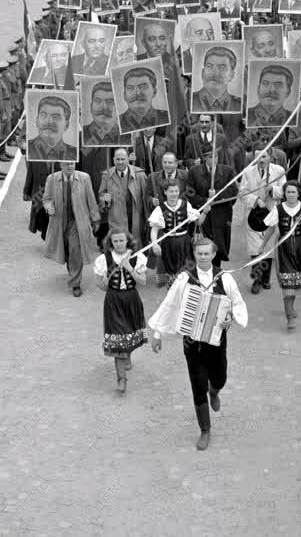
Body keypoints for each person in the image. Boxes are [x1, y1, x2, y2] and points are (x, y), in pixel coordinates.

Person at [149, 238, 248, 450]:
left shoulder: (225, 278)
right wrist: (157, 332)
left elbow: (237, 302)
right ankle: (205, 429)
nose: (203, 257)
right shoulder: (184, 278)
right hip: (192, 343)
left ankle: (215, 391)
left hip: (217, 340)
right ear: (194, 255)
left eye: (206, 253)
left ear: (213, 254)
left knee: (220, 378)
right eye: (199, 254)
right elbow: (170, 304)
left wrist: (232, 317)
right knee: (197, 384)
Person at [93, 230, 148, 393]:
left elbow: (143, 282)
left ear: (127, 241)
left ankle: (128, 354)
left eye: (121, 240)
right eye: (115, 241)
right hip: (113, 301)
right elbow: (101, 287)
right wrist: (106, 279)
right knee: (117, 339)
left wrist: (130, 268)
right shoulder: (103, 260)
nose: (118, 244)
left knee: (130, 332)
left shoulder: (138, 257)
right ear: (111, 242)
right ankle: (121, 378)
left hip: (132, 299)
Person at [42, 162, 100, 297]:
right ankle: (72, 269)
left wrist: (95, 218)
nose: (70, 166)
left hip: (78, 222)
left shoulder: (84, 178)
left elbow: (91, 199)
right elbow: (46, 198)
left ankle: (75, 283)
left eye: (72, 163)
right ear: (60, 165)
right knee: (66, 250)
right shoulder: (52, 178)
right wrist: (48, 207)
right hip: (60, 222)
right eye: (67, 164)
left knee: (75, 250)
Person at [262, 181, 301, 330]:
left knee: (295, 282)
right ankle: (289, 316)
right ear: (284, 194)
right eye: (288, 192)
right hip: (284, 249)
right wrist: (262, 245)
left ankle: (291, 308)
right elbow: (271, 229)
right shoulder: (278, 209)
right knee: (287, 282)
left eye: (293, 192)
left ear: (299, 194)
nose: (290, 195)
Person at [240, 144, 286, 293]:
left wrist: (273, 190)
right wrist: (255, 200)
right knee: (255, 249)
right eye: (258, 157)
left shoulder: (278, 171)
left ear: (270, 157)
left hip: (271, 213)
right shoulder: (247, 172)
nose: (261, 160)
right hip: (253, 214)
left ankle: (266, 278)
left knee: (267, 247)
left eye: (264, 156)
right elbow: (242, 193)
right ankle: (256, 279)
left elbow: (285, 191)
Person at [186, 146, 236, 268]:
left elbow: (233, 191)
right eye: (210, 156)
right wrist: (205, 202)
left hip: (221, 216)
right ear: (204, 158)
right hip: (203, 215)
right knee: (202, 246)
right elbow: (189, 193)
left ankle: (215, 273)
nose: (213, 159)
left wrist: (217, 196)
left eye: (216, 156)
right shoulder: (194, 171)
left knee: (217, 248)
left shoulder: (227, 170)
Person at [149, 178, 204, 287]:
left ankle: (186, 290)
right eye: (171, 191)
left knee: (187, 269)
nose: (174, 194)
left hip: (184, 241)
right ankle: (172, 291)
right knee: (171, 271)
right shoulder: (160, 208)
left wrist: (205, 212)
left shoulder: (185, 205)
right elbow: (154, 229)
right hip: (168, 243)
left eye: (176, 191)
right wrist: (154, 244)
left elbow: (199, 222)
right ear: (165, 192)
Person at [98, 148, 148, 249]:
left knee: (136, 248)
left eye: (123, 159)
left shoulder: (140, 174)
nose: (120, 162)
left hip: (136, 219)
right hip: (117, 219)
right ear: (113, 160)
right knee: (119, 247)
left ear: (128, 159)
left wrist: (148, 219)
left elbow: (146, 198)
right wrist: (104, 200)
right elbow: (102, 202)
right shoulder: (106, 175)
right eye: (117, 159)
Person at [118, 66, 169, 133]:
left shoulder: (167, 118)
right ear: (124, 95)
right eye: (130, 88)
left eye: (143, 87)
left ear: (154, 92)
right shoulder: (115, 123)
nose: (137, 93)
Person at [192, 46, 242, 113]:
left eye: (222, 67)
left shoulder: (241, 105)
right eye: (209, 66)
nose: (214, 73)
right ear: (202, 72)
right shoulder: (187, 101)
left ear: (231, 75)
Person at [28, 95, 78, 161]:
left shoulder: (75, 153)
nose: (49, 121)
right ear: (37, 121)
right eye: (43, 115)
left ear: (66, 125)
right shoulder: (27, 148)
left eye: (56, 116)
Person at [82, 81, 130, 146]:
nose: (103, 107)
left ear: (118, 108)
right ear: (91, 107)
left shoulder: (129, 137)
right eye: (98, 101)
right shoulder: (78, 135)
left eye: (109, 102)